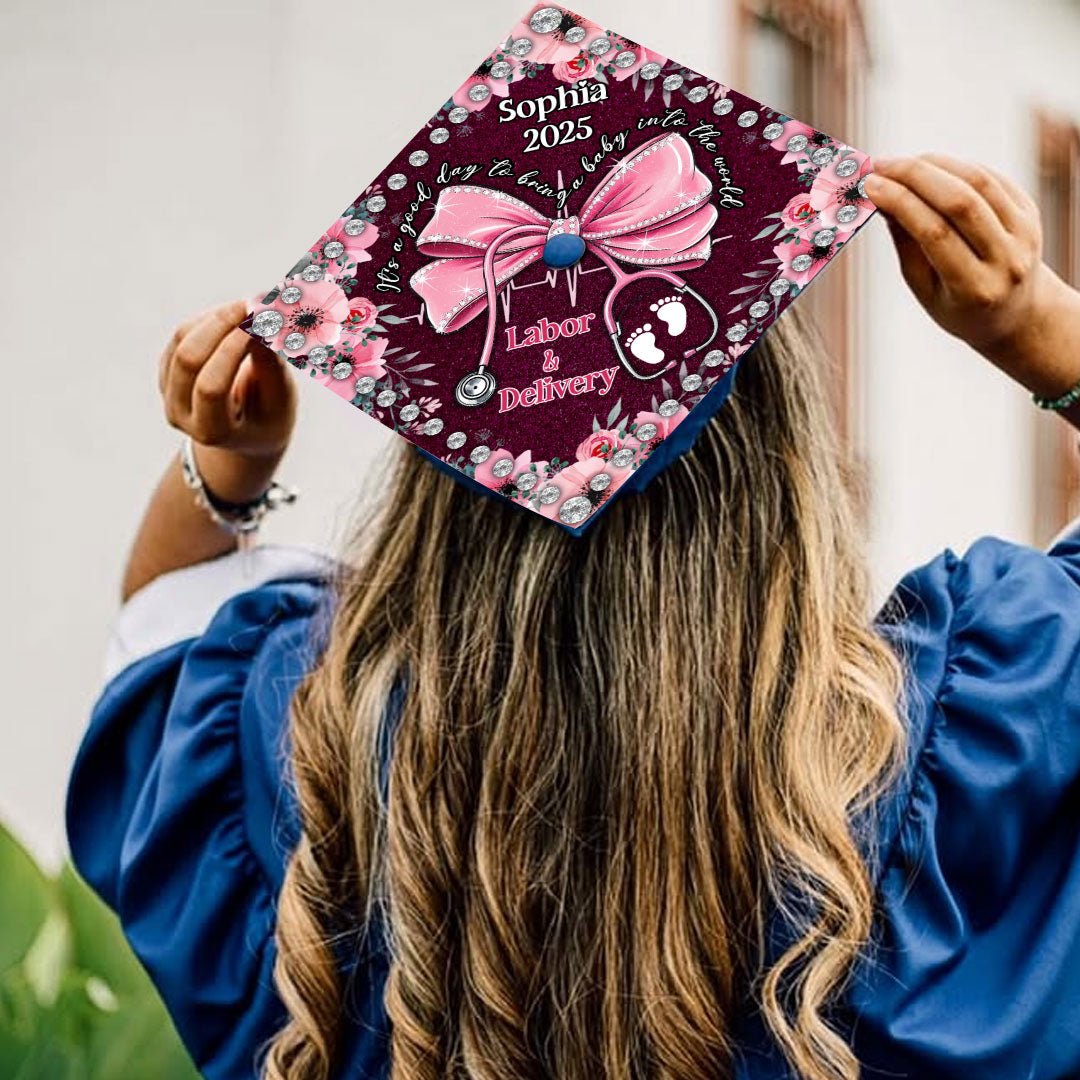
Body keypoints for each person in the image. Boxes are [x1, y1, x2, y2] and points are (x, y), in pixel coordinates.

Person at [67, 154, 1080, 1080]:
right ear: (783, 463)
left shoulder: (302, 755)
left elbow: (161, 634)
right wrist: (1040, 333)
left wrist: (227, 470)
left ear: (440, 479)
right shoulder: (968, 738)